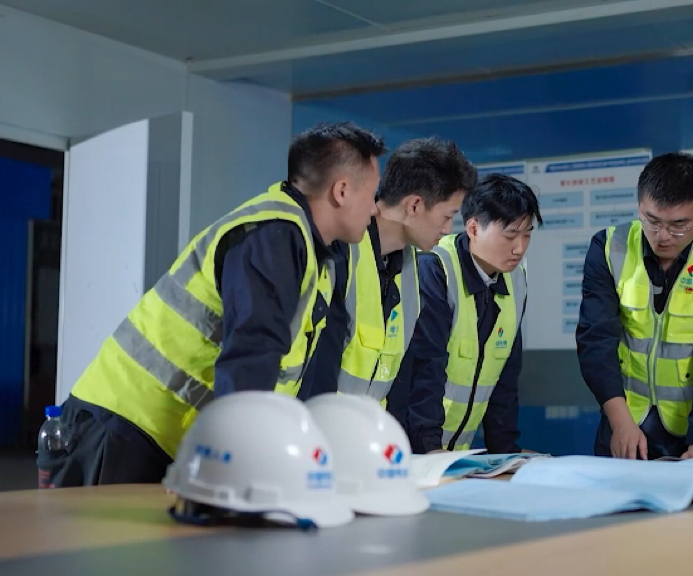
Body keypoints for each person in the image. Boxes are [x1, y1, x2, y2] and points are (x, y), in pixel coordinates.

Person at [43, 122, 386, 487]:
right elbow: (252, 355)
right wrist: (241, 464)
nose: (375, 208)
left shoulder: (310, 248)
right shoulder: (273, 236)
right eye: (372, 193)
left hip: (156, 434)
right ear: (341, 191)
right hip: (124, 426)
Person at [576, 152, 693, 460]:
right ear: (639, 206)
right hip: (624, 422)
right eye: (652, 221)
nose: (663, 237)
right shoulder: (610, 247)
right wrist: (620, 422)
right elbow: (596, 340)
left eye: (680, 224)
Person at [303, 137, 477, 406]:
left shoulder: (411, 267)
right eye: (447, 216)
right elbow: (315, 370)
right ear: (414, 206)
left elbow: (400, 379)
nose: (447, 229)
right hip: (320, 425)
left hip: (370, 429)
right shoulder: (339, 253)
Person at [396, 173, 543, 454]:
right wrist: (428, 449)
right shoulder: (435, 269)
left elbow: (505, 376)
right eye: (510, 235)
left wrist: (505, 453)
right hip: (413, 452)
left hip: (455, 453)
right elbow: (425, 369)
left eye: (527, 235)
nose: (519, 248)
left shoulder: (516, 279)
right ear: (473, 228)